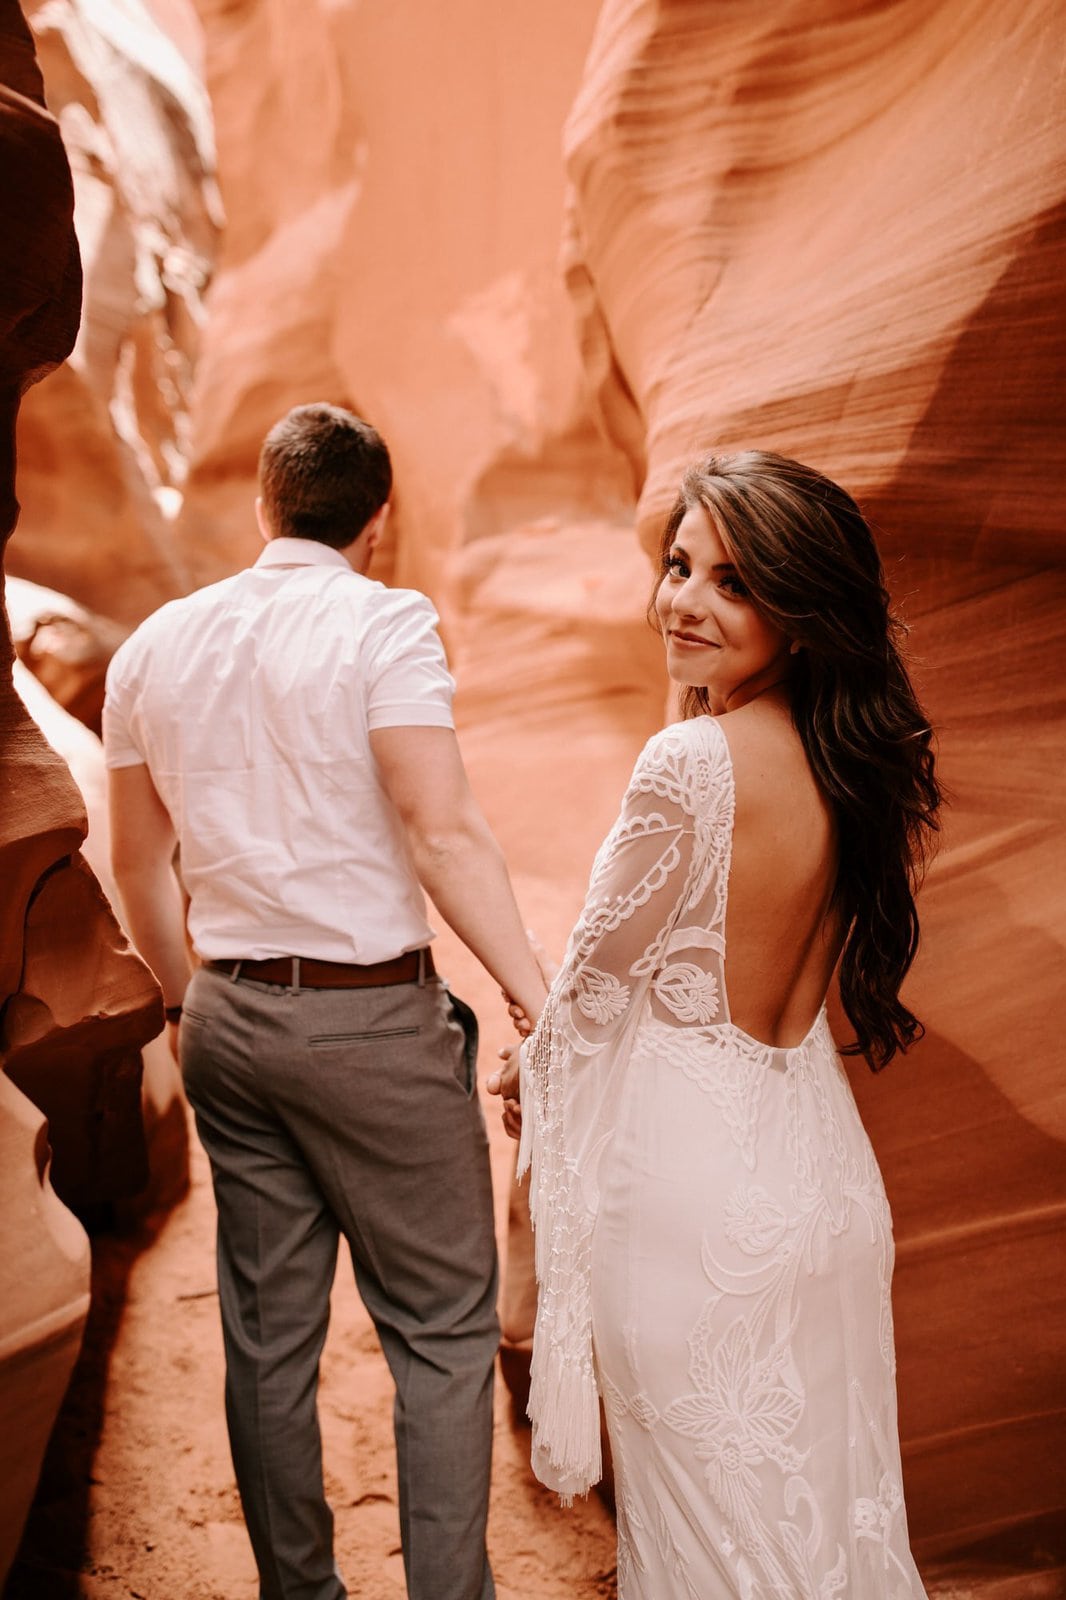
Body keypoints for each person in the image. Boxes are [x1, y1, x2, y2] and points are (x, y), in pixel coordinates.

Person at [103, 402, 547, 1600]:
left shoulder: (153, 646)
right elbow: (441, 827)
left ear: (265, 504)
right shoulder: (386, 623)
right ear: (378, 522)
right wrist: (531, 993)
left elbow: (141, 865)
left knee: (265, 1341)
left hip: (230, 1022)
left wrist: (194, 1006)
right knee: (444, 1333)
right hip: (369, 1024)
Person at [489, 450, 941, 1598]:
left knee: (706, 1550)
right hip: (822, 1186)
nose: (684, 600)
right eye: (679, 565)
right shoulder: (854, 764)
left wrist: (526, 1065)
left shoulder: (690, 762)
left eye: (732, 583)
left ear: (797, 611)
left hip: (689, 1206)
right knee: (825, 1535)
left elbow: (589, 997)